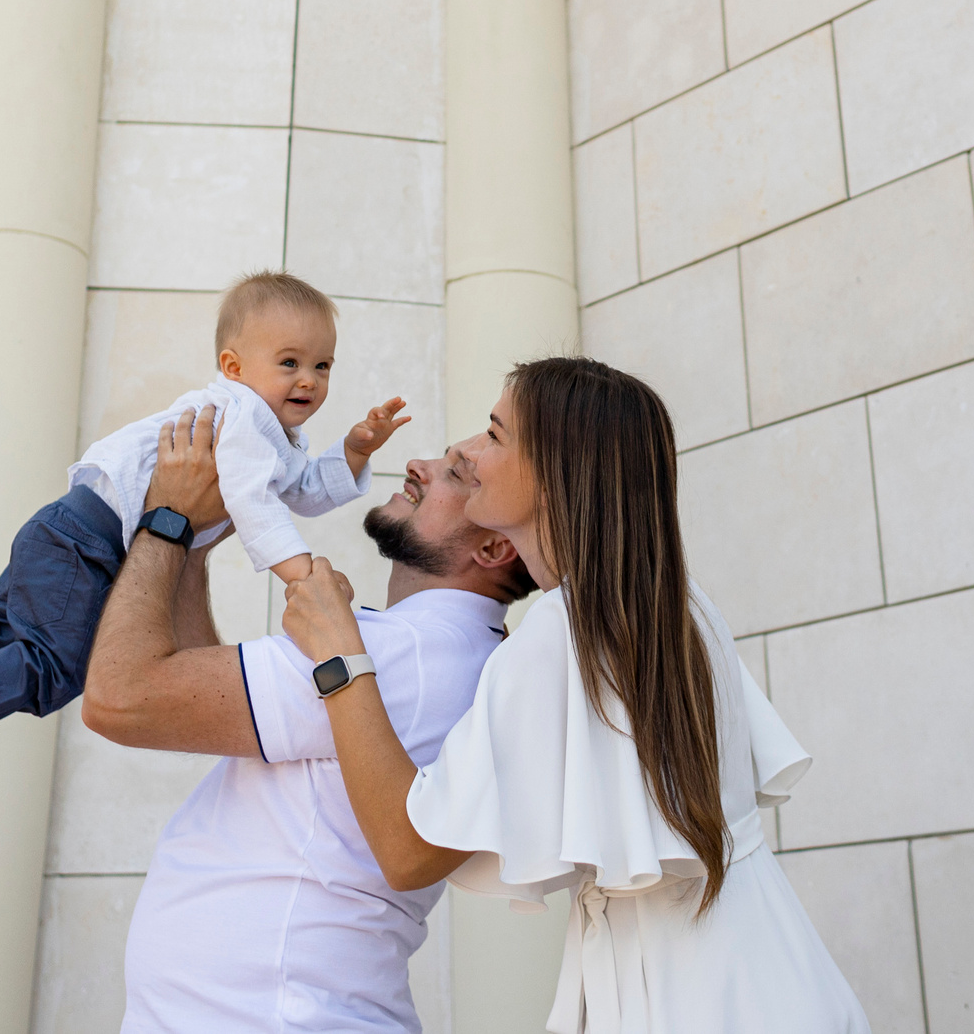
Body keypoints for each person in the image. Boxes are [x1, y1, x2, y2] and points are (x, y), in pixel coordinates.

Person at [282, 356, 870, 1034]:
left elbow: (407, 851)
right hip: (775, 972)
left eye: (494, 435)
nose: (468, 452)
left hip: (685, 1000)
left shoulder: (563, 635)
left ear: (557, 475)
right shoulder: (679, 606)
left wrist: (339, 651)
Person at [0, 270, 413, 799]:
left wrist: (353, 452)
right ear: (234, 367)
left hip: (66, 531)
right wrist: (301, 575)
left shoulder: (267, 432)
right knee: (53, 666)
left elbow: (301, 488)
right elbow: (253, 501)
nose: (309, 380)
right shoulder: (241, 419)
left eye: (323, 366)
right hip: (87, 544)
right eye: (290, 363)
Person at [84, 405, 538, 1033]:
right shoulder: (448, 651)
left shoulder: (401, 650)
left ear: (493, 546)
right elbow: (199, 700)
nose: (417, 464)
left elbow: (122, 697)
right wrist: (196, 540)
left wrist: (166, 519)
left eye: (456, 474)